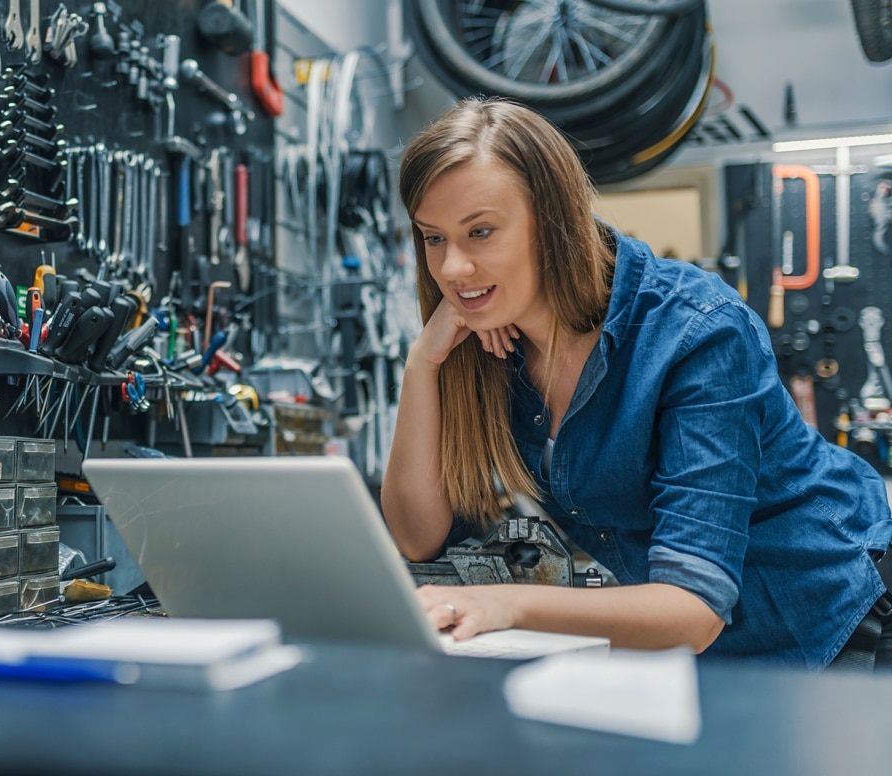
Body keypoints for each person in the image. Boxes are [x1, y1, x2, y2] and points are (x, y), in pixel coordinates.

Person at [380, 96, 892, 670]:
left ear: (551, 223)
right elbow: (417, 538)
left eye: (480, 232)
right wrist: (422, 364)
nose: (452, 269)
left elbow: (693, 607)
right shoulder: (490, 337)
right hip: (715, 653)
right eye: (433, 238)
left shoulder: (697, 330)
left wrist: (502, 604)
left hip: (840, 623)